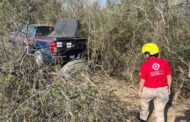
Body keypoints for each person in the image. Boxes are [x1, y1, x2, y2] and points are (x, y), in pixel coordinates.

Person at [138, 43, 172, 122]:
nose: (144, 55)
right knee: (160, 112)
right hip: (163, 89)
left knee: (144, 104)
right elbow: (169, 76)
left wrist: (140, 90)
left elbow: (142, 80)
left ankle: (143, 118)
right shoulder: (165, 62)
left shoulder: (145, 65)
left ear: (147, 54)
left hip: (148, 89)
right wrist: (169, 88)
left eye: (145, 53)